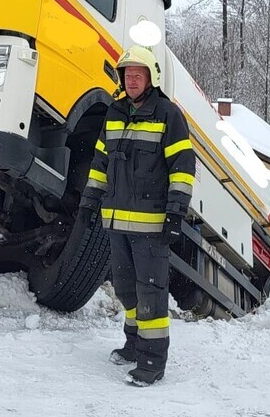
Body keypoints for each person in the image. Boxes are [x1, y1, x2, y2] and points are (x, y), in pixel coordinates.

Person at [78, 45, 195, 387]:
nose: (131, 80)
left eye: (137, 75)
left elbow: (182, 169)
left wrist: (175, 214)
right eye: (127, 75)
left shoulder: (168, 115)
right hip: (117, 224)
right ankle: (133, 345)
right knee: (126, 290)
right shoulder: (114, 113)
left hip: (151, 227)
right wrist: (88, 203)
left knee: (151, 293)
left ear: (150, 78)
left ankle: (152, 362)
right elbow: (100, 163)